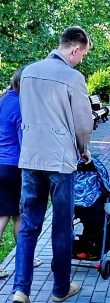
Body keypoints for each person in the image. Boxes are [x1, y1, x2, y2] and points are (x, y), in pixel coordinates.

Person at [12, 26, 93, 303]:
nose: (80, 60)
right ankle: (60, 288)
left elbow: (24, 111)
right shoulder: (72, 77)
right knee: (61, 226)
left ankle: (21, 288)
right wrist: (84, 148)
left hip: (31, 157)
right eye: (81, 54)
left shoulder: (29, 72)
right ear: (75, 49)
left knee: (29, 225)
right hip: (59, 160)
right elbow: (84, 122)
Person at [0, 67, 43, 279]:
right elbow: (25, 141)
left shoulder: (5, 99)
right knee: (13, 216)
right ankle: (25, 258)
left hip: (1, 164)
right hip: (12, 166)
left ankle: (26, 258)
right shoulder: (20, 106)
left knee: (9, 214)